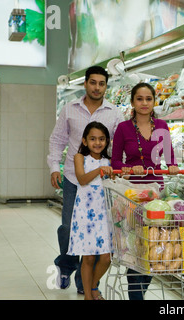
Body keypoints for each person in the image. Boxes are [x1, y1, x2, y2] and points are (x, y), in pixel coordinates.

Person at [47, 66, 125, 293]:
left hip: (102, 184)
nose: (97, 87)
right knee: (68, 227)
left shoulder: (115, 112)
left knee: (96, 231)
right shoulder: (69, 109)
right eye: (93, 82)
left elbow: (118, 146)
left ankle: (88, 284)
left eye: (102, 83)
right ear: (86, 83)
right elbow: (57, 140)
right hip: (74, 177)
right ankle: (66, 263)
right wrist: (54, 167)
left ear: (106, 86)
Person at [111, 82, 179, 299]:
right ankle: (136, 296)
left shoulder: (162, 125)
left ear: (154, 101)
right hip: (131, 193)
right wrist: (128, 169)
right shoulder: (123, 128)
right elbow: (115, 163)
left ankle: (139, 292)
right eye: (139, 99)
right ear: (132, 102)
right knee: (135, 247)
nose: (144, 103)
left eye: (148, 99)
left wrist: (172, 167)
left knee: (152, 246)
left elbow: (170, 159)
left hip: (156, 193)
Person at [67, 121, 113, 300]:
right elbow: (82, 179)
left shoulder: (109, 161)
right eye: (93, 139)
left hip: (103, 213)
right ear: (85, 141)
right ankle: (87, 295)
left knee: (106, 258)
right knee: (87, 258)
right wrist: (100, 170)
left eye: (102, 139)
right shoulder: (80, 158)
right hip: (84, 213)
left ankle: (93, 286)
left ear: (107, 141)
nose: (97, 143)